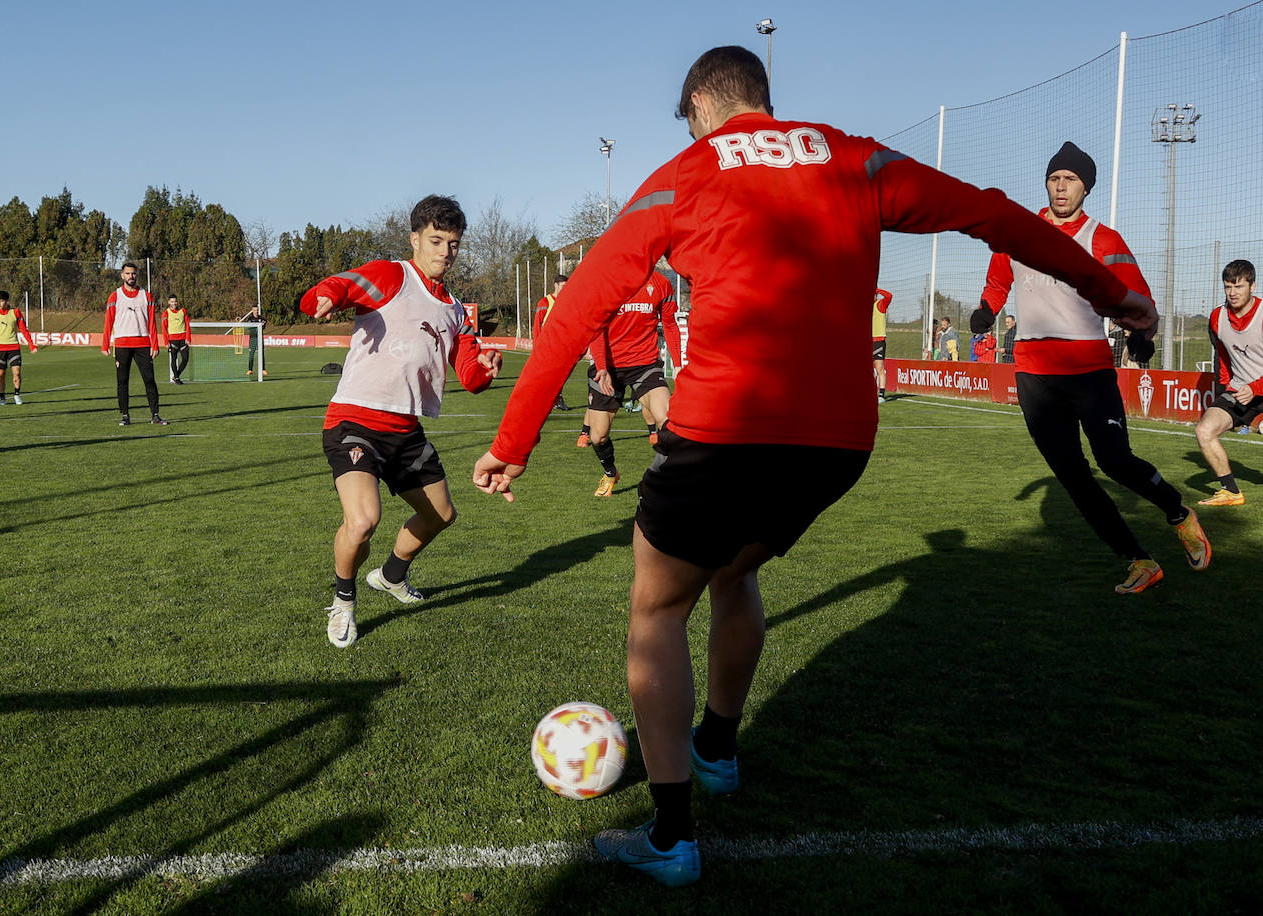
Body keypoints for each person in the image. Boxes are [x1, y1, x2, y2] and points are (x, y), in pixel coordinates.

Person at [472, 46, 1158, 887]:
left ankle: (670, 838)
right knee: (732, 570)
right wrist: (1113, 291)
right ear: (768, 98)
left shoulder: (685, 171)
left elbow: (580, 306)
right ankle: (718, 750)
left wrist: (512, 443)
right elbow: (992, 214)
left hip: (724, 426)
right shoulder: (854, 155)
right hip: (836, 442)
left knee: (656, 608)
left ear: (699, 105)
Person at [973, 140, 1209, 594]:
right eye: (1054, 179)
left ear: (1086, 189)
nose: (1061, 187)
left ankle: (1178, 512)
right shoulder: (1019, 231)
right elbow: (1000, 275)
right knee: (1072, 474)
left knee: (1115, 462)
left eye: (1071, 180)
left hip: (1088, 369)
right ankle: (1139, 560)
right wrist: (987, 308)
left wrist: (1142, 335)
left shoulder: (1103, 239)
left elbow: (1134, 293)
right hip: (1033, 373)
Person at [300, 194, 502, 649]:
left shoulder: (455, 312)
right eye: (436, 240)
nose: (445, 252)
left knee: (441, 515)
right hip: (354, 421)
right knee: (363, 520)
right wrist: (328, 297)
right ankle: (344, 602)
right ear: (415, 239)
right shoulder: (392, 275)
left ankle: (391, 576)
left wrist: (486, 367)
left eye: (453, 244)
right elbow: (337, 285)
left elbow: (469, 377)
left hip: (406, 431)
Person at [582, 268, 683, 496]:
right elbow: (597, 327)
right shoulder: (606, 282)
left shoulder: (660, 283)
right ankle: (610, 473)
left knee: (668, 419)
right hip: (608, 368)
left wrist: (677, 365)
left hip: (645, 365)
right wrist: (601, 366)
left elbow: (669, 324)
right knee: (598, 436)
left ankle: (664, 478)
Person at [1194, 258, 1263, 506]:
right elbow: (1223, 353)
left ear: (1252, 286)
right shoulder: (1217, 316)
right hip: (1240, 388)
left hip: (1257, 387)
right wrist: (1226, 386)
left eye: (1239, 286)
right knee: (1204, 430)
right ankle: (1230, 491)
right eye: (1227, 287)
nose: (1232, 293)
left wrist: (1255, 388)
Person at [101, 262, 167, 427]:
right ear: (122, 275)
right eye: (128, 273)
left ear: (137, 275)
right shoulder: (114, 296)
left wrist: (155, 344)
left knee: (149, 380)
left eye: (134, 274)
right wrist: (105, 344)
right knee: (122, 382)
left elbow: (152, 322)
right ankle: (125, 416)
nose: (131, 276)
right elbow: (108, 321)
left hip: (143, 343)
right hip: (122, 345)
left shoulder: (147, 296)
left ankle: (155, 415)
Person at [0, 291, 36, 405]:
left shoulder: (15, 312)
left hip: (13, 347)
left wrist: (31, 345)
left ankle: (17, 395)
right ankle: (2, 398)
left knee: (16, 373)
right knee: (1, 374)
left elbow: (23, 330)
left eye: (1, 301)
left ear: (7, 301)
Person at [533, 274, 571, 411]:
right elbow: (537, 325)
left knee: (561, 375)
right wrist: (537, 346)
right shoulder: (544, 302)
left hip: (562, 346)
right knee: (545, 376)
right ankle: (542, 399)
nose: (565, 289)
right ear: (555, 285)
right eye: (563, 286)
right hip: (547, 347)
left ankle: (557, 398)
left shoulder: (568, 302)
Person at [160, 295, 191, 384]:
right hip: (172, 340)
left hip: (183, 339)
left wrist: (188, 338)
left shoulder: (183, 311)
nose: (174, 303)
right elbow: (164, 328)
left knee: (185, 359)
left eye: (175, 301)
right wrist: (166, 342)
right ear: (169, 302)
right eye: (172, 302)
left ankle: (176, 375)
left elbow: (187, 325)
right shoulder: (166, 313)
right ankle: (177, 378)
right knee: (174, 359)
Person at [872, 288, 891, 402]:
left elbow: (889, 296)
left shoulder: (880, 304)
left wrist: (877, 290)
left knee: (879, 368)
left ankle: (881, 395)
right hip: (867, 340)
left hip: (878, 340)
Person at [246, 303, 266, 377]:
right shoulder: (249, 319)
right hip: (253, 338)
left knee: (262, 353)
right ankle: (250, 369)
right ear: (252, 311)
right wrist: (257, 328)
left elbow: (264, 325)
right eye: (254, 310)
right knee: (251, 354)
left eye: (257, 310)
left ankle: (263, 369)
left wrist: (260, 326)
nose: (256, 312)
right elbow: (250, 328)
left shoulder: (261, 318)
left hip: (260, 338)